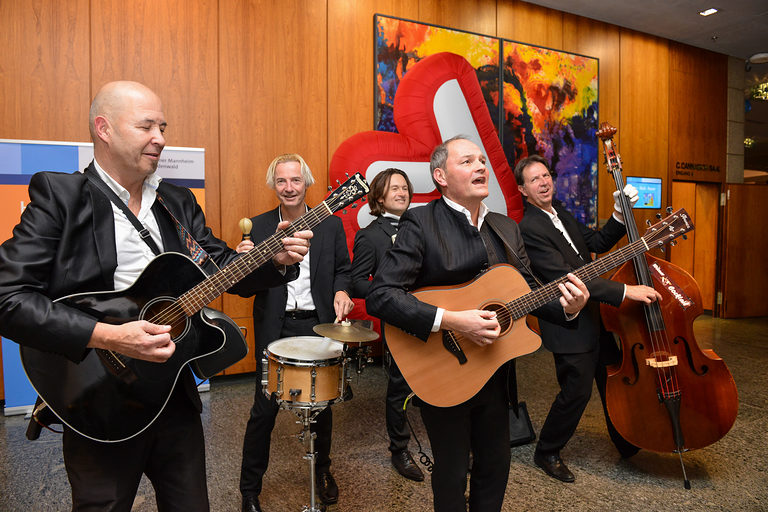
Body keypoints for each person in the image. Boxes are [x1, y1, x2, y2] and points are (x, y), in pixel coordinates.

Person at [0, 81, 311, 511]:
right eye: (146, 126)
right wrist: (109, 336)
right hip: (96, 396)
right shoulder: (61, 196)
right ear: (103, 129)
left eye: (163, 126)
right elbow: (9, 299)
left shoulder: (176, 201)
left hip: (172, 393)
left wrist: (273, 260)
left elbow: (219, 267)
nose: (161, 138)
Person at [366, 136, 590, 512]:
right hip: (443, 369)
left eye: (482, 160)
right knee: (452, 475)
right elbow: (383, 295)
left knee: (495, 468)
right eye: (467, 161)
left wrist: (571, 306)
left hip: (497, 373)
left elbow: (530, 291)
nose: (481, 167)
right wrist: (452, 320)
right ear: (440, 175)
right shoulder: (420, 221)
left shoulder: (506, 227)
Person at [514, 155, 662, 483]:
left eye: (546, 175)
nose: (544, 182)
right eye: (534, 179)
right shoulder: (529, 228)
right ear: (524, 190)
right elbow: (569, 277)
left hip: (596, 319)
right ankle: (547, 451)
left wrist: (619, 215)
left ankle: (627, 444)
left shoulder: (561, 212)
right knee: (576, 393)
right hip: (568, 323)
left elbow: (594, 243)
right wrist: (626, 292)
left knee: (613, 382)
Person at [238, 153, 355, 512]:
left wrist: (341, 290)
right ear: (274, 185)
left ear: (307, 184)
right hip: (276, 326)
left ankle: (322, 472)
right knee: (264, 410)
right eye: (282, 181)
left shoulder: (331, 225)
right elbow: (242, 287)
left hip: (317, 323)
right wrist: (244, 262)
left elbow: (344, 270)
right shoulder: (257, 228)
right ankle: (249, 490)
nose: (289, 187)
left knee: (323, 405)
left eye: (295, 180)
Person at [349, 168, 424, 482]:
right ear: (379, 197)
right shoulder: (370, 235)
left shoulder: (423, 226)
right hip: (398, 320)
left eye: (405, 188)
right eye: (394, 188)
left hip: (433, 315)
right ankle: (400, 449)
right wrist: (389, 293)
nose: (402, 193)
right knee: (401, 387)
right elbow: (355, 283)